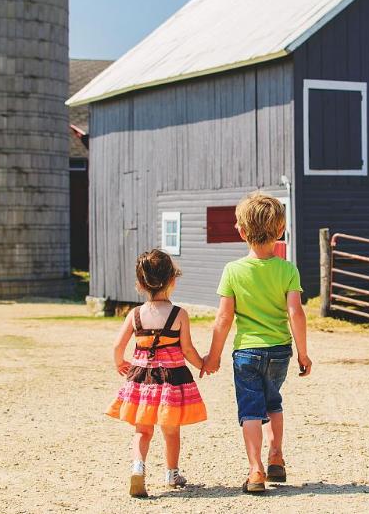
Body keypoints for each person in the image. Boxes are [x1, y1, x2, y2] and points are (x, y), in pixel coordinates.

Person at [201, 192, 312, 494]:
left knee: (251, 409)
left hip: (246, 353)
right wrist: (303, 353)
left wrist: (213, 356)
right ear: (281, 230)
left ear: (241, 231)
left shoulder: (233, 271)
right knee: (273, 401)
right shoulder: (287, 270)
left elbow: (224, 318)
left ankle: (255, 470)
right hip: (279, 351)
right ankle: (276, 456)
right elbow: (296, 313)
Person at [107, 249, 207, 498]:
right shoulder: (179, 314)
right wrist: (203, 364)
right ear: (172, 280)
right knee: (171, 431)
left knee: (142, 430)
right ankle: (172, 474)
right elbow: (187, 349)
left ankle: (137, 468)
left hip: (142, 380)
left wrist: (120, 363)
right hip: (171, 382)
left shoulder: (135, 315)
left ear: (140, 284)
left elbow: (118, 346)